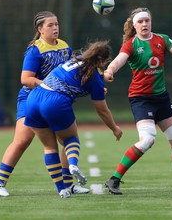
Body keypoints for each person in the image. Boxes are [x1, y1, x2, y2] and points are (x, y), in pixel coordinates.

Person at [103, 7, 172, 195]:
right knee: (147, 140)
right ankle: (114, 179)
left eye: (147, 21)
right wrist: (110, 70)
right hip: (141, 99)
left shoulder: (162, 39)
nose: (144, 24)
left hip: (161, 98)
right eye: (140, 22)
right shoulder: (131, 44)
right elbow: (118, 61)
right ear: (134, 25)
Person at [0, 11, 90, 196]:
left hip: (54, 101)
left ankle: (68, 185)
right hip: (31, 99)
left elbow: (70, 74)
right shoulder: (35, 49)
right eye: (50, 25)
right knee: (22, 141)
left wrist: (90, 85)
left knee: (66, 141)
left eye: (57, 24)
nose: (55, 28)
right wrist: (48, 86)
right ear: (40, 29)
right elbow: (25, 78)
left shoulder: (64, 47)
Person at [24, 40, 123, 198]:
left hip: (33, 98)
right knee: (71, 139)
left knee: (49, 148)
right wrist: (115, 128)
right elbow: (102, 110)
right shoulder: (95, 78)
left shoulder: (77, 59)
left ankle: (63, 188)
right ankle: (73, 165)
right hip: (54, 102)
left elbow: (79, 76)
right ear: (104, 61)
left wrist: (99, 82)